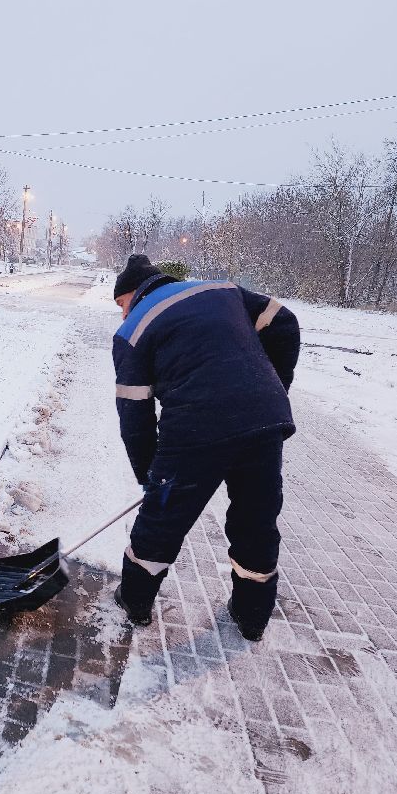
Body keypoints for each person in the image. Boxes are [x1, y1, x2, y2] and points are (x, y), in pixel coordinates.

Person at [111, 254, 300, 641]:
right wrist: (270, 387)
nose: (121, 313)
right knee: (256, 519)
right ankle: (252, 616)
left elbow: (135, 417)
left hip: (195, 428)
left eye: (119, 304)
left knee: (162, 519)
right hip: (263, 422)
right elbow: (285, 322)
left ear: (132, 293)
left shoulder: (132, 330)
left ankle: (134, 600)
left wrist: (151, 479)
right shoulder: (222, 289)